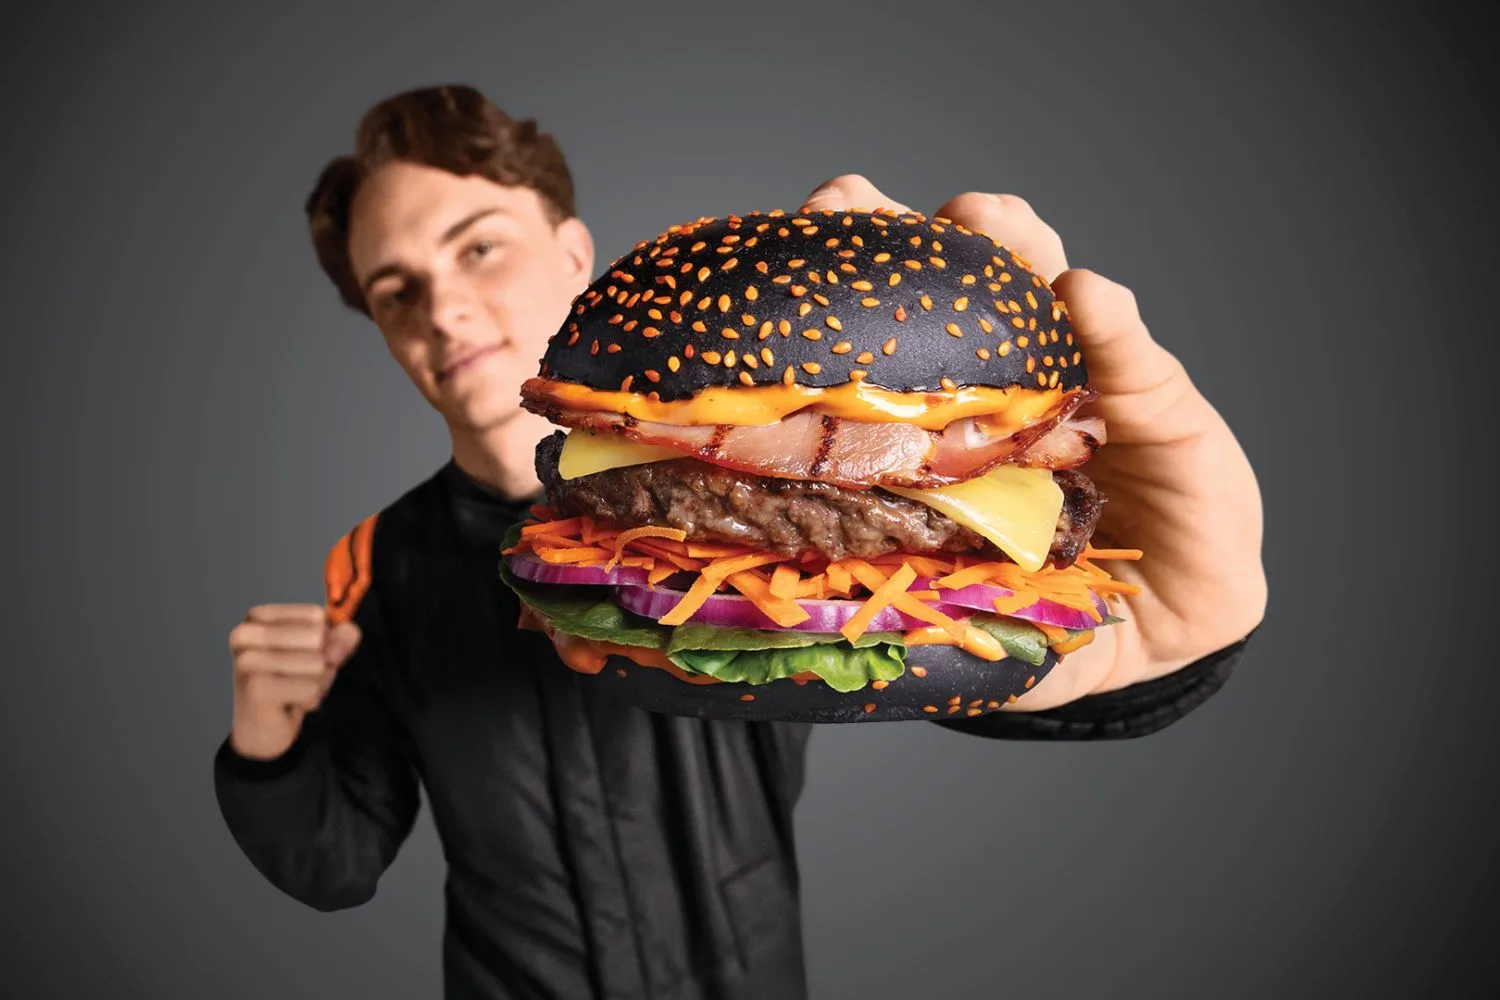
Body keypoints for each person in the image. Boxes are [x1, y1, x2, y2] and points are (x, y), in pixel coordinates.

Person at [214, 84, 1265, 1000]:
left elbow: (956, 673)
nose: (443, 310)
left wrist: (1169, 638)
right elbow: (338, 862)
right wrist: (266, 748)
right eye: (395, 290)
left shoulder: (799, 503)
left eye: (478, 245)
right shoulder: (373, 562)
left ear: (574, 252)